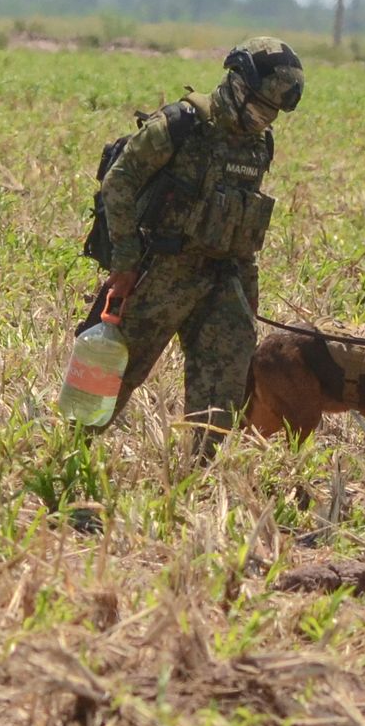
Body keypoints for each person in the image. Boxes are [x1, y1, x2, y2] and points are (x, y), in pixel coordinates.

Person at [92, 37, 304, 456]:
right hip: (161, 273)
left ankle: (200, 480)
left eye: (273, 114)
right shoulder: (181, 125)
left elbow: (242, 223)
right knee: (111, 374)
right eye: (261, 109)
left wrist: (248, 295)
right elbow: (119, 182)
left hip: (223, 277)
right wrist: (126, 262)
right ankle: (68, 459)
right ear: (238, 86)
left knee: (224, 383)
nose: (264, 121)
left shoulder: (259, 144)